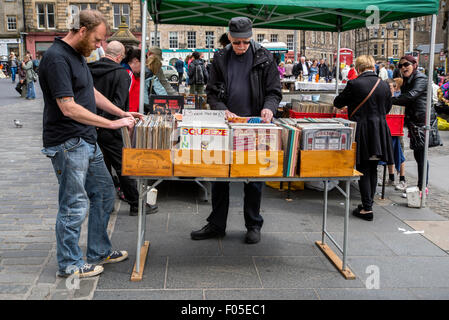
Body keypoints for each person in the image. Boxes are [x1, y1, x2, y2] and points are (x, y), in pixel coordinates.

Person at [39, 9, 140, 278]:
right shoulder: (57, 58)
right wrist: (110, 124)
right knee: (73, 204)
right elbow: (68, 107)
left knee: (105, 193)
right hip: (68, 142)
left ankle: (98, 251)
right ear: (82, 31)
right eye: (97, 40)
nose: (100, 46)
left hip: (86, 139)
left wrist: (122, 113)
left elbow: (89, 92)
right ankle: (70, 264)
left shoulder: (78, 55)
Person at [191, 16, 282, 244]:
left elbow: (274, 91)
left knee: (254, 176)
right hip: (226, 125)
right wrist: (222, 109)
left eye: (245, 42)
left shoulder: (264, 56)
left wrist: (268, 109)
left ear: (251, 38)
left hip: (254, 125)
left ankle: (253, 224)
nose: (241, 47)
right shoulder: (221, 57)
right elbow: (211, 92)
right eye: (236, 42)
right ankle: (216, 224)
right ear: (229, 37)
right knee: (219, 174)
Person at [88, 41, 159, 216]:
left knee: (99, 167)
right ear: (120, 57)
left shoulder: (88, 69)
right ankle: (136, 204)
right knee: (123, 166)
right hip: (110, 127)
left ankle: (105, 203)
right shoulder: (121, 74)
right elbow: (118, 104)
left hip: (89, 124)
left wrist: (95, 123)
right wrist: (109, 122)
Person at [334, 55, 394, 221]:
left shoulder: (354, 83)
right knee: (373, 168)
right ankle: (368, 204)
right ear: (373, 67)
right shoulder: (383, 85)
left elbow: (338, 102)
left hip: (362, 129)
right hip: (380, 129)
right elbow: (387, 108)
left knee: (363, 168)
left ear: (358, 68)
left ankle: (367, 209)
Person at [392, 55, 434, 195]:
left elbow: (411, 95)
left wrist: (390, 100)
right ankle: (421, 186)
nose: (403, 67)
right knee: (418, 154)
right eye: (400, 66)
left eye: (406, 64)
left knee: (421, 155)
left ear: (414, 65)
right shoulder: (408, 79)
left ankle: (422, 188)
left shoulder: (420, 78)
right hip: (414, 121)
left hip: (422, 122)